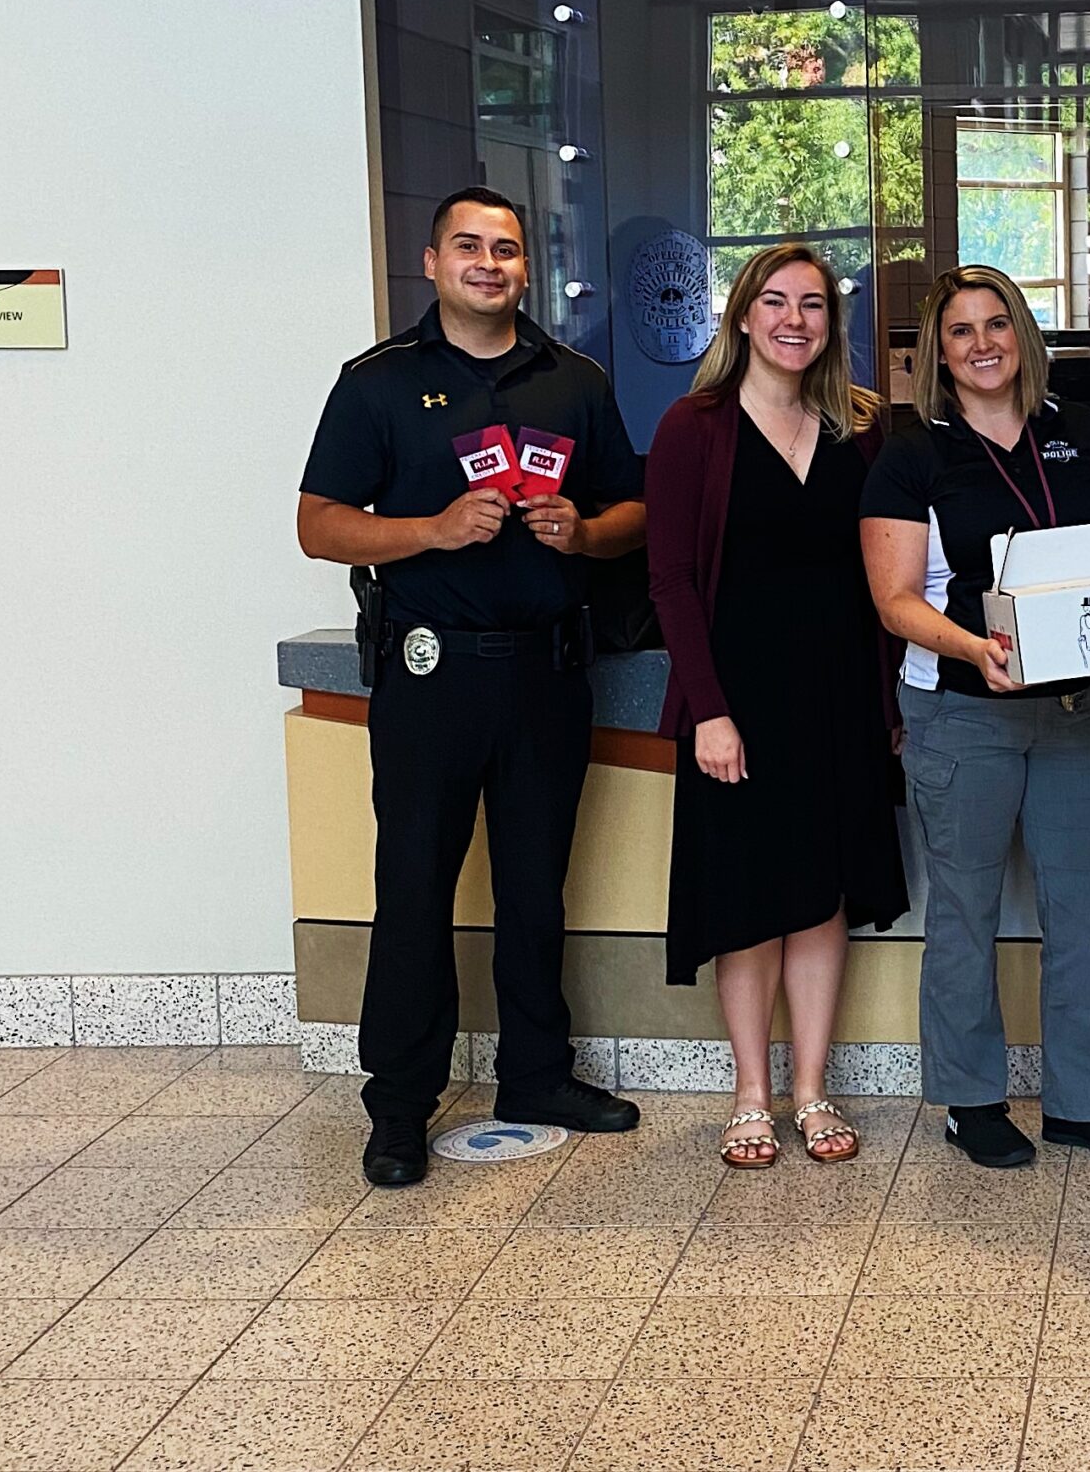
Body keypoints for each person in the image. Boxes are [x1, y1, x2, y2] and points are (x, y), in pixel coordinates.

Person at [297, 187, 649, 1187]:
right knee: (413, 887)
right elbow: (320, 522)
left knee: (537, 888)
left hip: (545, 667)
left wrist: (586, 532)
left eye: (506, 247)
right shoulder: (378, 382)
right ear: (432, 260)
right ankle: (399, 1104)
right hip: (428, 671)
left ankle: (536, 1074)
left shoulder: (573, 380)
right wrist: (432, 530)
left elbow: (635, 508)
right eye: (469, 245)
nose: (489, 262)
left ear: (527, 267)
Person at [859, 265, 1090, 1171]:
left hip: (1071, 712)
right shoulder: (913, 454)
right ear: (937, 353)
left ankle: (1083, 1102)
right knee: (964, 913)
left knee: (1085, 910)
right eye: (961, 331)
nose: (982, 344)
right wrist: (973, 647)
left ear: (1023, 335)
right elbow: (893, 599)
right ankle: (971, 1098)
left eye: (998, 325)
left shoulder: (1081, 432)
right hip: (960, 713)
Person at [647, 242, 909, 1170]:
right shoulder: (696, 427)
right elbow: (671, 580)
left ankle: (811, 1090)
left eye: (812, 305)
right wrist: (709, 712)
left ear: (832, 325)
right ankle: (751, 1093)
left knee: (820, 896)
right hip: (739, 702)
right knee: (749, 898)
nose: (794, 320)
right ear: (743, 316)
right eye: (775, 301)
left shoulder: (861, 429)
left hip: (839, 694)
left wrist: (888, 701)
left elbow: (885, 571)